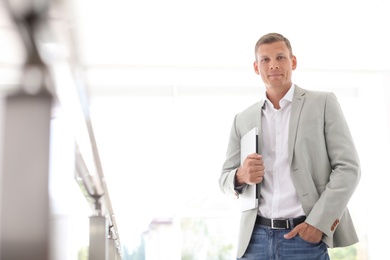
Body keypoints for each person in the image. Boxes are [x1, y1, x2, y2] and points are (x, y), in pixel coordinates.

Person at [219, 32, 361, 259]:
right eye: (265, 60)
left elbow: (348, 168)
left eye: (280, 57)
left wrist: (319, 224)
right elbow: (224, 179)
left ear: (293, 62)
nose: (273, 65)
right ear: (256, 67)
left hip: (304, 237)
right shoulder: (242, 119)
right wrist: (240, 175)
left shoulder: (322, 103)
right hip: (254, 240)